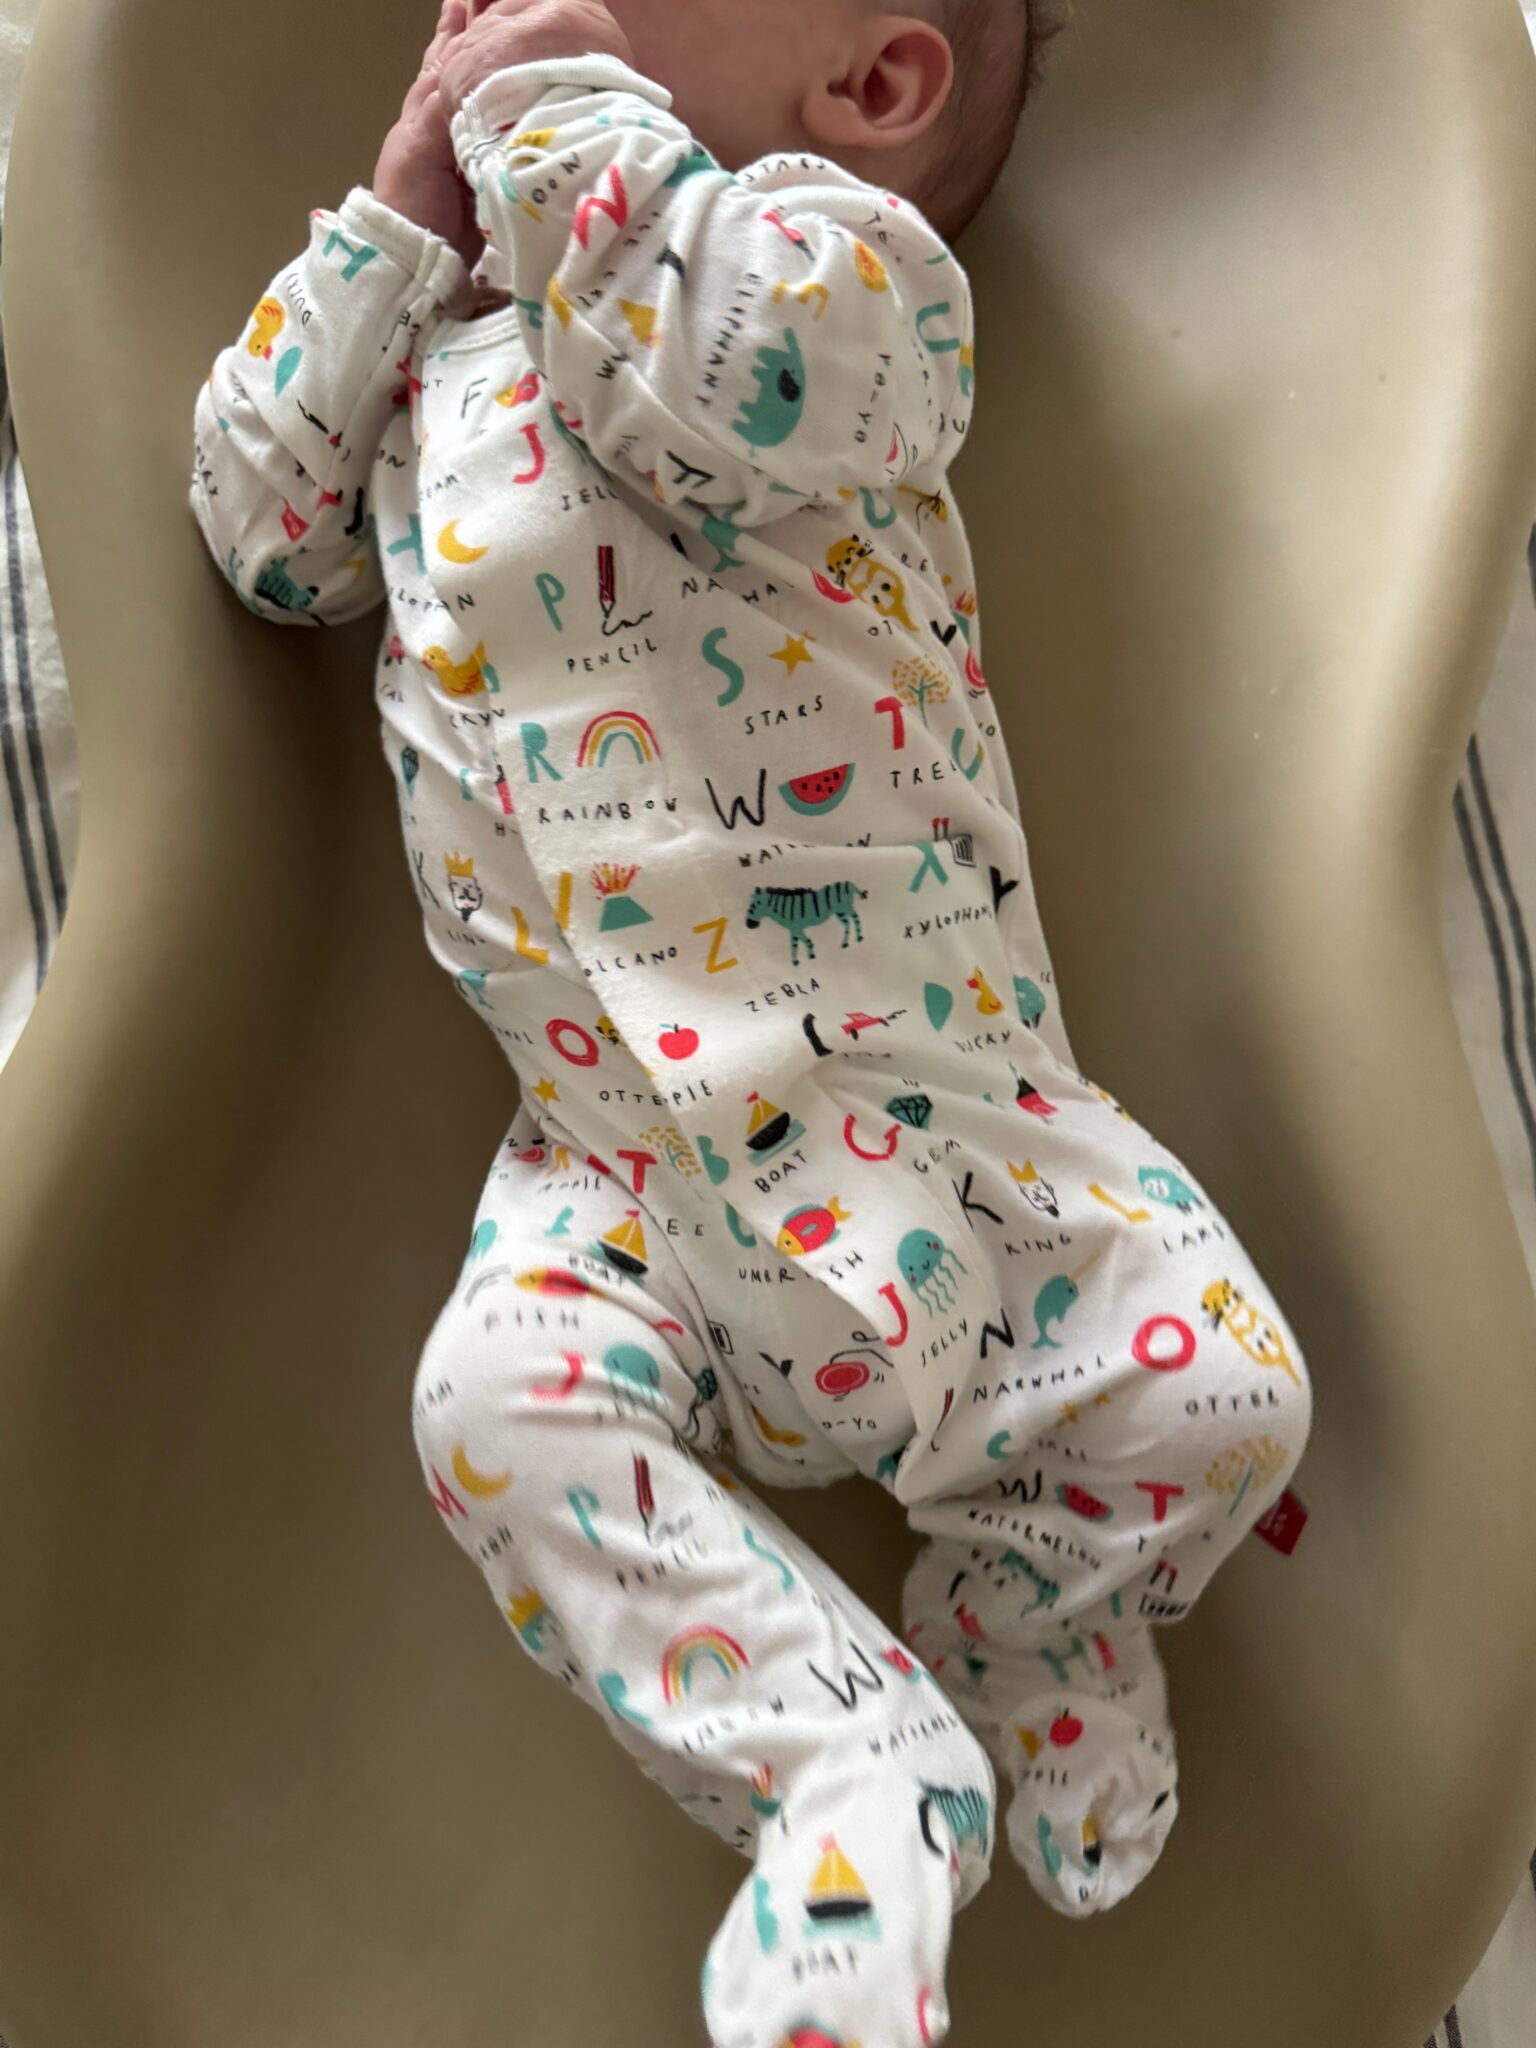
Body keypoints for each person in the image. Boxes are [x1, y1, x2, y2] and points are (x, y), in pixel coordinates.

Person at [187, 3, 1312, 2041]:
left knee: (1224, 1392)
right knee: (491, 1411)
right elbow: (262, 536)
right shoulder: (443, 342)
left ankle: (1026, 1607)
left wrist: (550, 122)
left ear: (870, 88)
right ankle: (842, 1769)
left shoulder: (848, 287)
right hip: (623, 1172)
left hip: (942, 1111)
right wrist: (399, 208)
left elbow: (711, 369)